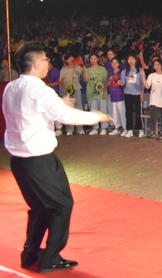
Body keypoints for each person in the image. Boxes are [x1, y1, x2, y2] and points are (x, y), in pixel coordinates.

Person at [3, 43, 112, 272]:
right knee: (62, 206)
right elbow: (66, 117)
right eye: (45, 59)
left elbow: (28, 112)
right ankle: (50, 256)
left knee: (40, 208)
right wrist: (96, 117)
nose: (48, 63)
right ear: (36, 64)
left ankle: (30, 254)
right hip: (39, 160)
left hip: (19, 160)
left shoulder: (11, 87)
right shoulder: (40, 90)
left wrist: (58, 104)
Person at [83, 53, 109, 135]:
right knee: (93, 110)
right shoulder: (88, 69)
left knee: (102, 110)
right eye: (91, 59)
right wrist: (85, 72)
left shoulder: (102, 69)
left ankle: (103, 127)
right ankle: (95, 128)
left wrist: (105, 92)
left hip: (101, 93)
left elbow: (105, 81)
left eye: (95, 58)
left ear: (98, 59)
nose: (93, 60)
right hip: (91, 93)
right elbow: (85, 80)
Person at [145, 58, 162, 139]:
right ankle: (152, 131)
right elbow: (147, 86)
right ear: (153, 66)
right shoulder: (151, 76)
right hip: (154, 99)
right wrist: (142, 77)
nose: (157, 66)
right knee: (153, 116)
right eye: (155, 65)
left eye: (159, 64)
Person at [123, 54, 146, 138]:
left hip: (137, 94)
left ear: (136, 60)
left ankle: (140, 129)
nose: (131, 61)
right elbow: (123, 82)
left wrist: (142, 94)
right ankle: (129, 129)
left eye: (132, 59)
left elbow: (143, 83)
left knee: (138, 112)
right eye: (129, 59)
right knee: (128, 112)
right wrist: (119, 82)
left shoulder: (140, 70)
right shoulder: (124, 71)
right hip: (127, 94)